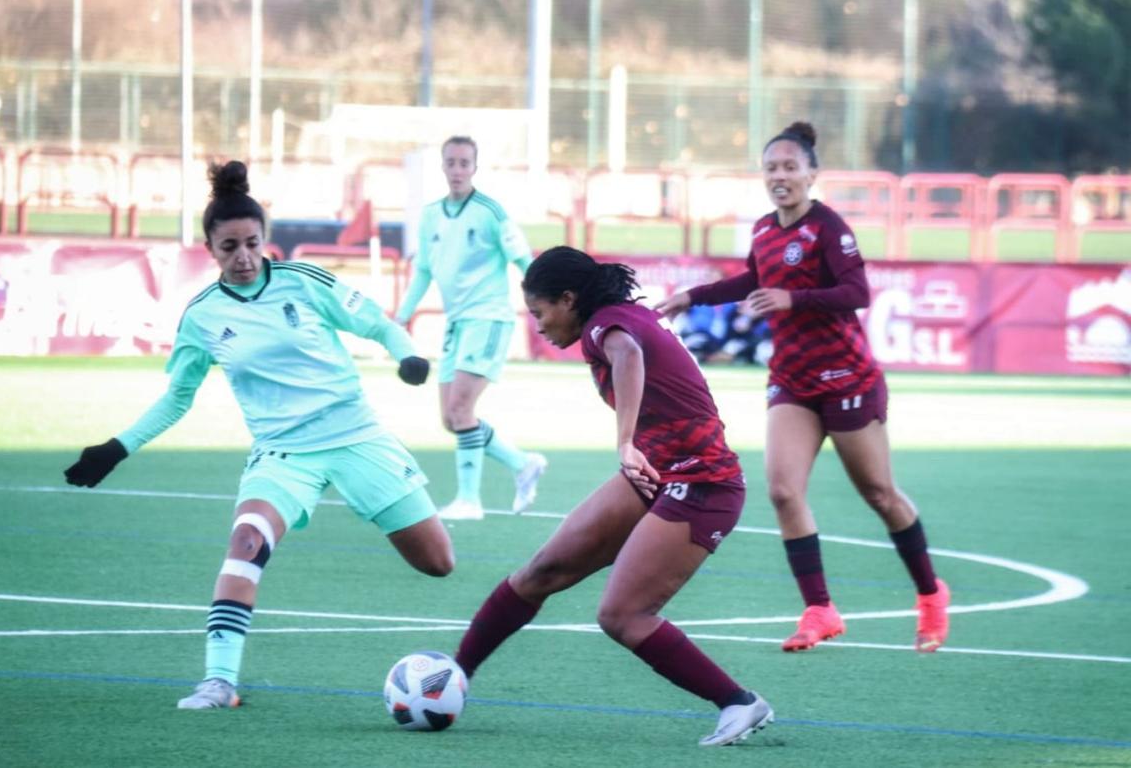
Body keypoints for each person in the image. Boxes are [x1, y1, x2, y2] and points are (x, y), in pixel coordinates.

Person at [63, 161, 455, 709]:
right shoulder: (201, 316)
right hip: (282, 454)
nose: (243, 257)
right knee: (245, 542)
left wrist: (408, 354)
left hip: (357, 437)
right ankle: (218, 681)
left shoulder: (303, 282)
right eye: (229, 247)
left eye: (252, 243)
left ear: (266, 240)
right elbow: (178, 396)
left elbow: (379, 323)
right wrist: (117, 447)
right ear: (210, 249)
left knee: (438, 562)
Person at [452, 246, 773, 748]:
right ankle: (455, 675)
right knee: (541, 572)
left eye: (540, 313)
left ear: (568, 299)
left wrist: (624, 442)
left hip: (703, 483)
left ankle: (738, 702)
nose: (537, 326)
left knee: (622, 615)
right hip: (658, 473)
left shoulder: (605, 328)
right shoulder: (617, 317)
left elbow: (628, 354)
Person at [654, 122, 950, 653]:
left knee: (879, 494)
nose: (780, 176)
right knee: (783, 490)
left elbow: (856, 291)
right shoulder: (766, 230)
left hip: (846, 378)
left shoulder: (828, 227)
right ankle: (819, 609)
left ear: (813, 174)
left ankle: (930, 594)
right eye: (772, 168)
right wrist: (691, 297)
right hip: (792, 379)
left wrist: (794, 299)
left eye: (791, 167)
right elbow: (752, 278)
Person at [393, 135, 547, 521]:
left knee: (462, 408)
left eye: (465, 163)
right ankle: (521, 464)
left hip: (489, 318)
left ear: (475, 168)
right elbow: (424, 270)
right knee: (451, 417)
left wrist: (545, 305)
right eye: (451, 162)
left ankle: (469, 501)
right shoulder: (430, 215)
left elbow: (524, 261)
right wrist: (399, 316)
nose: (458, 170)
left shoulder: (491, 212)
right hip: (457, 322)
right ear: (442, 167)